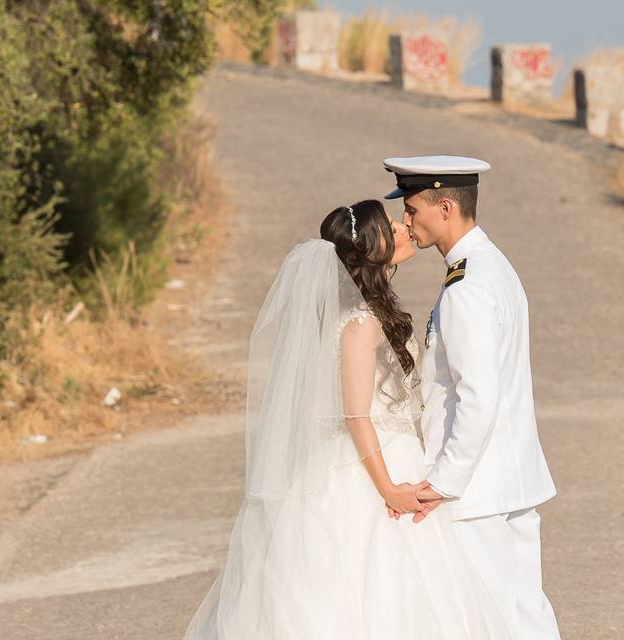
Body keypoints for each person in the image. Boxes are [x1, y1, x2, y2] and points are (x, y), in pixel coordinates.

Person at [183, 199, 509, 639]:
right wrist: (389, 489)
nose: (403, 228)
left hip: (397, 456)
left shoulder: (375, 314)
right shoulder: (360, 323)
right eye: (392, 226)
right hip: (368, 472)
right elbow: (357, 415)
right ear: (374, 246)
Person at [384, 155, 560, 639]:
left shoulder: (466, 287)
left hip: (476, 486)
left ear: (445, 207)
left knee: (487, 618)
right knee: (526, 612)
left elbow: (477, 397)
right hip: (510, 476)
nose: (406, 221)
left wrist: (444, 481)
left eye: (412, 209)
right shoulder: (494, 266)